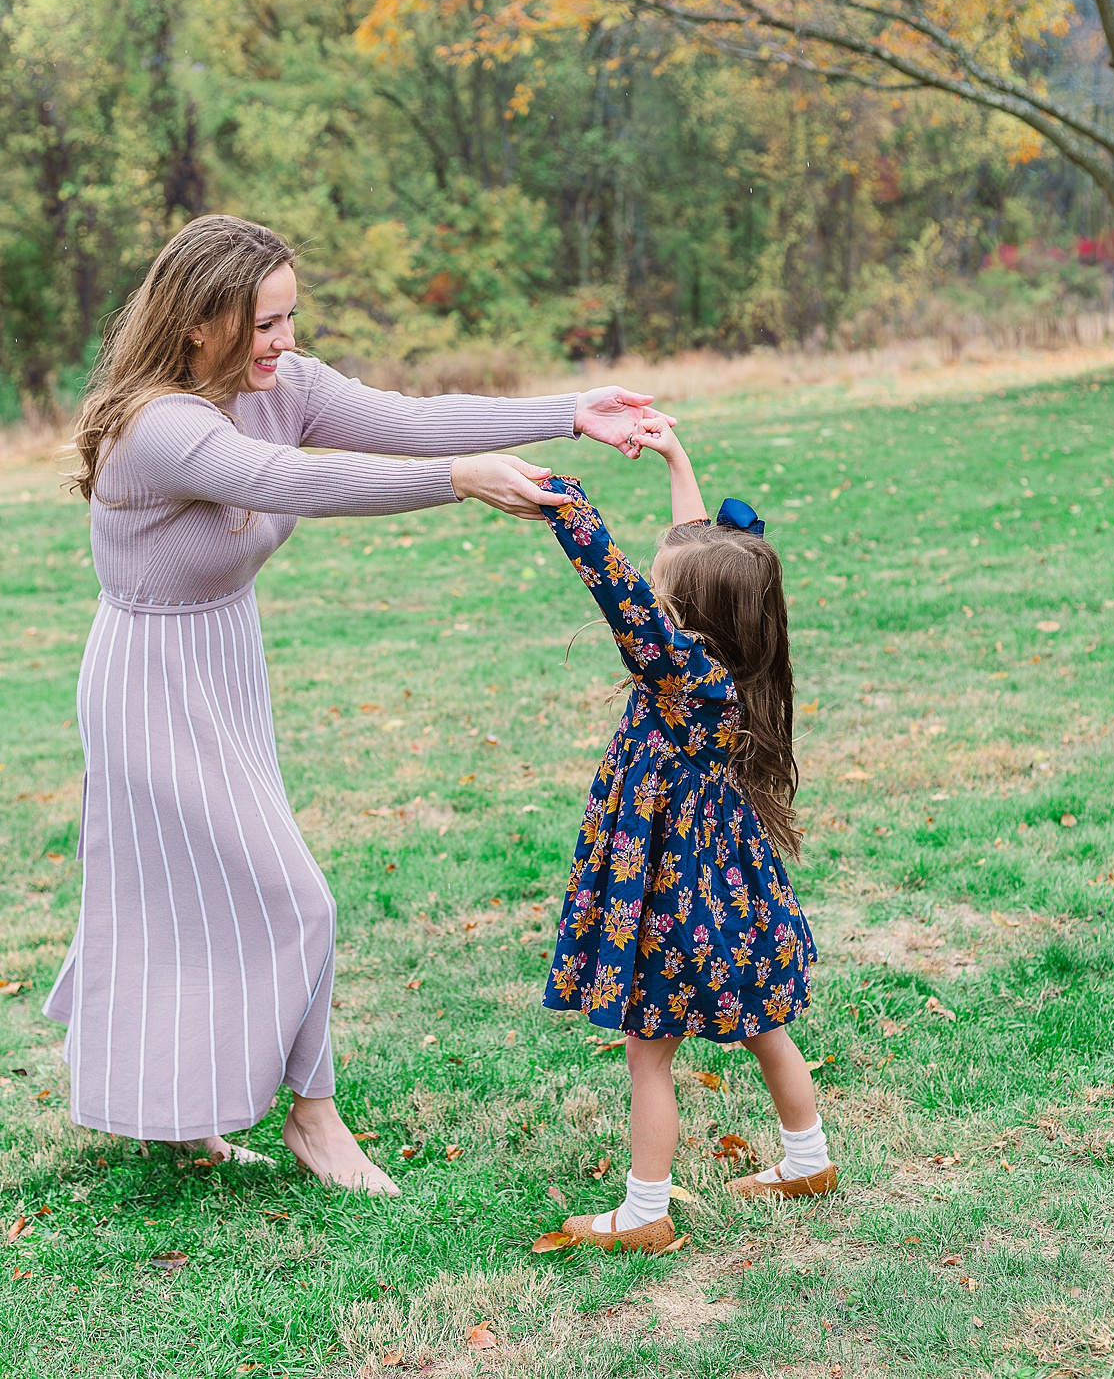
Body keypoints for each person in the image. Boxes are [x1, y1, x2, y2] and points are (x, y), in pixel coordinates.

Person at [45, 212, 666, 1195]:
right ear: (198, 322)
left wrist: (570, 407)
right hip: (149, 681)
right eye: (262, 324)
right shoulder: (161, 423)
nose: (284, 343)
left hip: (222, 658)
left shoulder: (277, 384)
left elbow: (406, 417)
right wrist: (455, 484)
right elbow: (287, 479)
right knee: (293, 900)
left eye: (289, 317)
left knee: (197, 899)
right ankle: (314, 1119)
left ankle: (187, 1123)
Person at [536, 412, 835, 1252]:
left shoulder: (676, 673)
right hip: (725, 883)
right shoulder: (729, 661)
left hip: (671, 896)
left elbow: (622, 589)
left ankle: (642, 1215)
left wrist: (572, 510)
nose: (657, 594)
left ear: (684, 614)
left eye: (668, 591)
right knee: (761, 1020)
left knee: (648, 1053)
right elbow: (694, 551)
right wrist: (677, 458)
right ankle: (806, 1158)